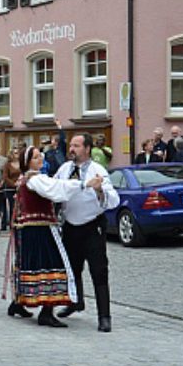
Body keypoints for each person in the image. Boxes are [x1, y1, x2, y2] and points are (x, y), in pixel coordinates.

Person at [5, 146, 92, 327]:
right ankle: (46, 311)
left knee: (29, 264)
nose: (40, 160)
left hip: (28, 228)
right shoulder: (36, 179)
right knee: (50, 264)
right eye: (36, 157)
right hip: (39, 229)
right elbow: (56, 189)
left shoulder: (26, 178)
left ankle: (18, 303)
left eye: (40, 156)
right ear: (28, 162)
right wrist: (83, 184)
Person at [54, 134, 120, 332]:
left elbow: (113, 200)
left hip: (92, 227)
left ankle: (104, 316)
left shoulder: (97, 170)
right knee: (71, 269)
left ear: (87, 149)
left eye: (76, 146)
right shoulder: (65, 168)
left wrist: (100, 190)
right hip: (70, 226)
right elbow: (55, 188)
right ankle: (75, 302)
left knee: (98, 271)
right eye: (71, 145)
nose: (71, 149)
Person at [2, 147, 21, 231]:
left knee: (20, 206)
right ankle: (12, 223)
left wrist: (20, 183)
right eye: (15, 153)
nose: (17, 154)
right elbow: (5, 177)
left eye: (18, 152)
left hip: (20, 188)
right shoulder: (7, 164)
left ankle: (20, 222)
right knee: (12, 206)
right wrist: (14, 184)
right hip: (11, 188)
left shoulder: (22, 163)